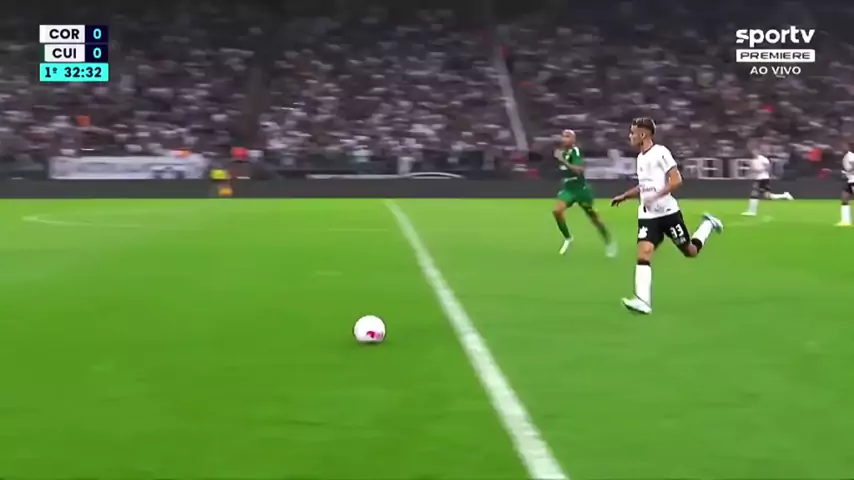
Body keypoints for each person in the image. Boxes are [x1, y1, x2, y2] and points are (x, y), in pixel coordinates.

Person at [611, 118, 724, 315]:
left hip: (668, 214)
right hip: (647, 215)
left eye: (632, 132)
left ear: (643, 134)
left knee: (690, 251)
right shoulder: (640, 158)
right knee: (644, 252)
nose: (630, 136)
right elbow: (644, 186)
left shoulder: (661, 153)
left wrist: (656, 196)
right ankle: (643, 301)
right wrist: (625, 196)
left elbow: (676, 180)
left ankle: (707, 225)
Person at [551, 129, 617, 257]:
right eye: (563, 136)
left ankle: (609, 242)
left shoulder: (575, 151)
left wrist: (562, 161)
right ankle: (568, 238)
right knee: (557, 211)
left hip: (581, 190)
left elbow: (579, 171)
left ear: (573, 140)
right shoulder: (561, 152)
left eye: (567, 136)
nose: (564, 139)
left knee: (594, 218)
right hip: (568, 189)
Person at [742, 146, 794, 216]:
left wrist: (762, 170)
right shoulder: (754, 160)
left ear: (758, 151)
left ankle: (752, 211)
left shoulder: (762, 159)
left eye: (755, 151)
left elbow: (768, 167)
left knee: (754, 193)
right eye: (752, 151)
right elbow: (753, 169)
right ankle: (785, 195)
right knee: (768, 196)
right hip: (759, 178)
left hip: (763, 178)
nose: (753, 153)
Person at [839, 145, 854, 226]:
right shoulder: (848, 155)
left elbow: (852, 168)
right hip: (850, 180)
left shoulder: (851, 156)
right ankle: (845, 221)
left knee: (845, 197)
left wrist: (847, 171)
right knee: (844, 197)